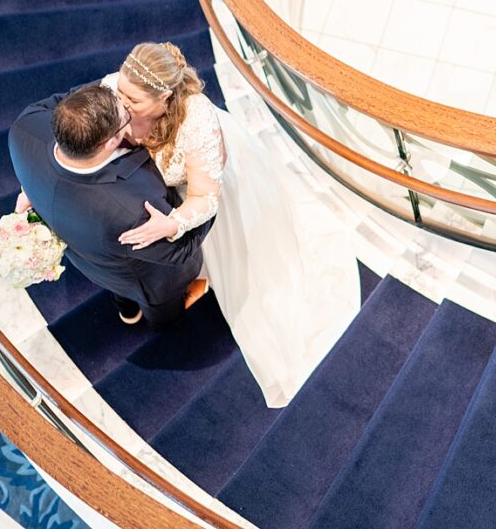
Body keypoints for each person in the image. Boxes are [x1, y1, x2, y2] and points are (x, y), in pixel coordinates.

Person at [104, 42, 359, 407]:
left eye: (133, 100)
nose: (122, 103)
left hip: (213, 187)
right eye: (121, 92)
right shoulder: (117, 88)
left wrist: (172, 224)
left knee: (246, 260)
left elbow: (206, 198)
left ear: (163, 97)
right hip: (171, 188)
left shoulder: (197, 121)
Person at [8, 83, 212, 329]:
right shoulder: (131, 211)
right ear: (111, 142)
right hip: (141, 277)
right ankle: (162, 322)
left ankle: (127, 311)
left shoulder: (24, 129)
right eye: (126, 115)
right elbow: (183, 248)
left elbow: (71, 99)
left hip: (90, 259)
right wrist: (207, 198)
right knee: (161, 305)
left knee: (116, 280)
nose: (130, 110)